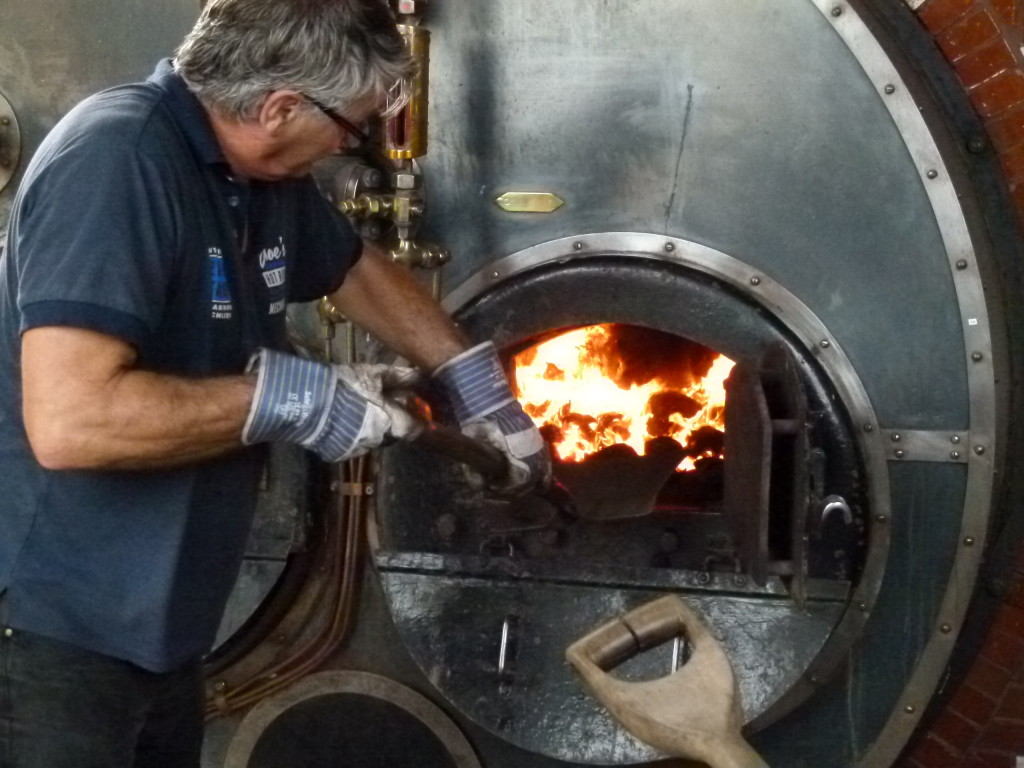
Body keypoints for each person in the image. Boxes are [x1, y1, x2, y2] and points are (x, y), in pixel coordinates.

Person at [0, 1, 549, 766]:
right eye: (351, 127)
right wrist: (295, 398)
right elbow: (71, 421)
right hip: (51, 626)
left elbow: (355, 269)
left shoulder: (258, 174)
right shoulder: (117, 162)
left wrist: (472, 380)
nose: (349, 146)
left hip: (165, 622)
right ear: (281, 106)